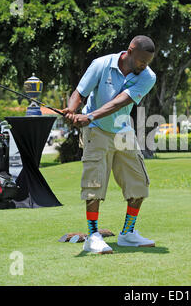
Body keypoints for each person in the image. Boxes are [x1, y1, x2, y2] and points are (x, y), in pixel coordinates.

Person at [63, 35, 157, 254]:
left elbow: (121, 101)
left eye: (148, 62)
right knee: (93, 186)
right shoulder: (101, 64)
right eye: (142, 61)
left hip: (123, 130)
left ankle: (127, 234)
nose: (144, 66)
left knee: (139, 184)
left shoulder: (147, 76)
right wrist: (71, 110)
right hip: (96, 132)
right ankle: (93, 236)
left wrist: (90, 115)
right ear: (130, 51)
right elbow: (80, 92)